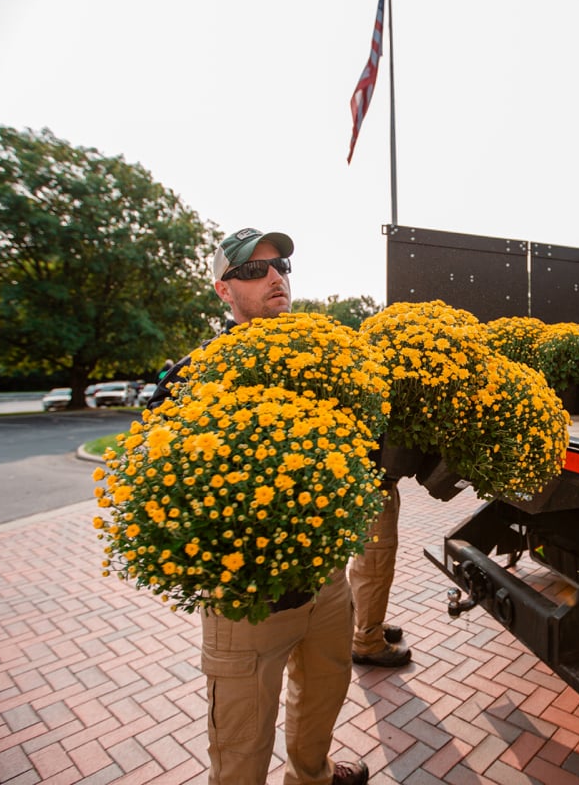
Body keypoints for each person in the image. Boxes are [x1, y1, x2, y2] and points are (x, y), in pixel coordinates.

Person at [151, 227, 369, 785]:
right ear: (224, 291)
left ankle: (312, 775)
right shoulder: (193, 376)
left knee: (324, 696)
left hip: (325, 584)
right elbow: (161, 485)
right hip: (246, 603)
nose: (275, 277)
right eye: (253, 270)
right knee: (242, 746)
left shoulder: (328, 366)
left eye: (282, 266)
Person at [349, 478, 412, 667]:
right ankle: (367, 642)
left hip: (375, 488)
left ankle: (366, 625)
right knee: (374, 568)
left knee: (367, 565)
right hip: (375, 492)